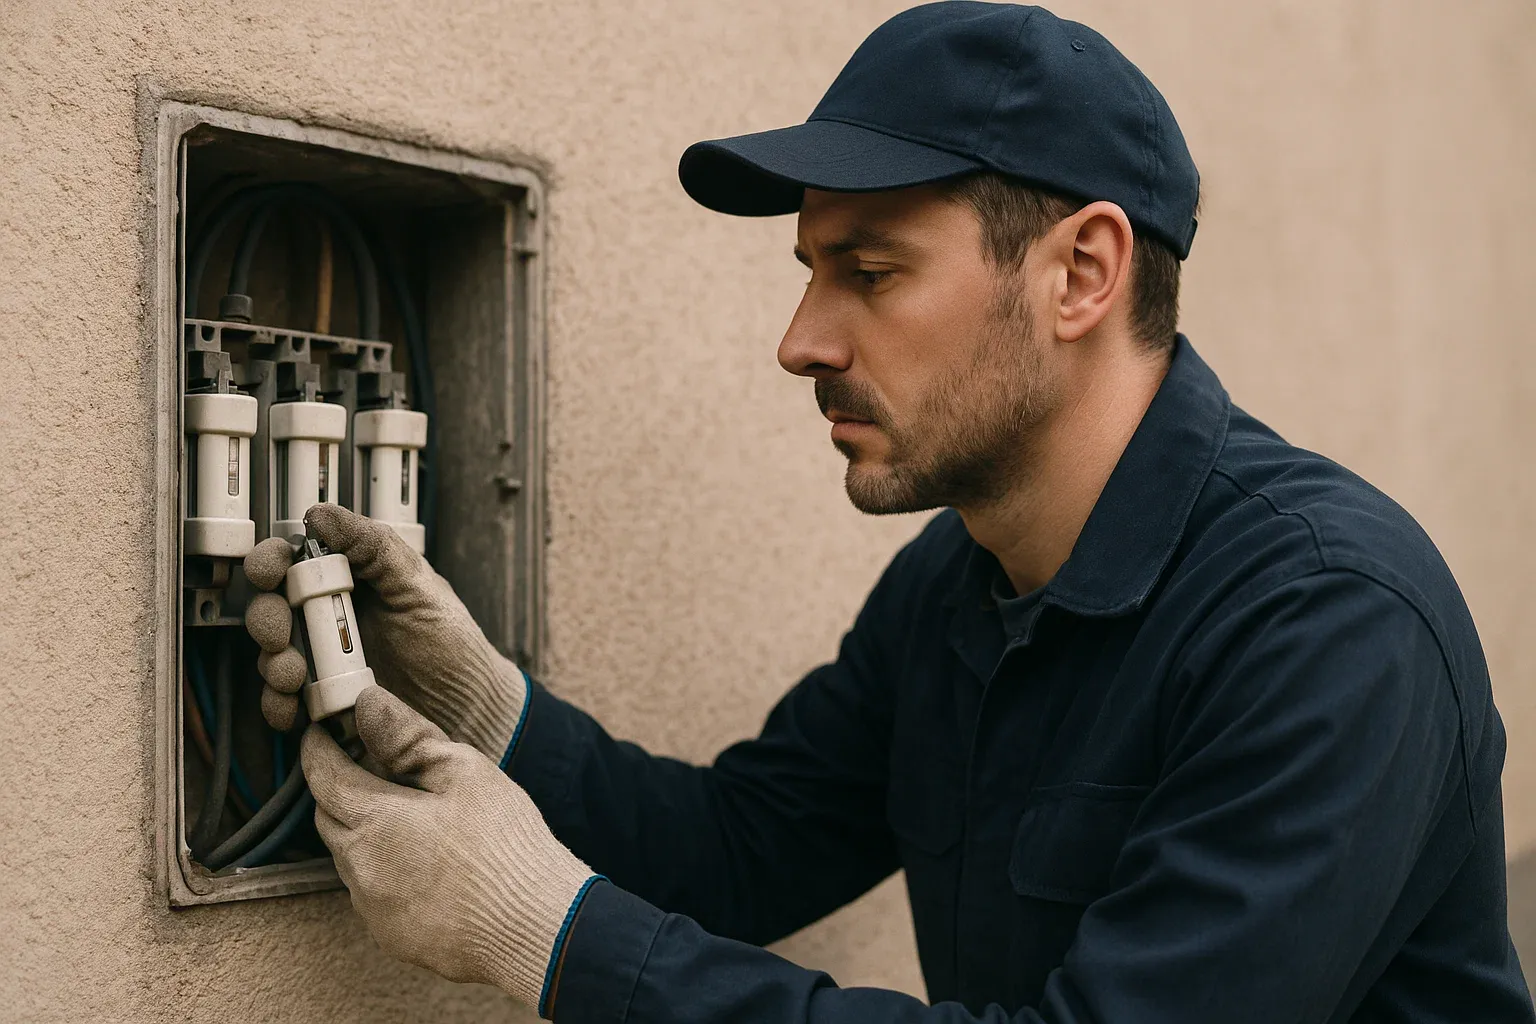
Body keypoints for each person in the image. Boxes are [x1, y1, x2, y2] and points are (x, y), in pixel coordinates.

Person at [240, 3, 1534, 1021]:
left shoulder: (1325, 623)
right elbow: (739, 853)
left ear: (1082, 271)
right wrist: (477, 702)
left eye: (870, 272)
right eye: (811, 272)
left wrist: (551, 937)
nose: (801, 342)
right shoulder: (961, 578)